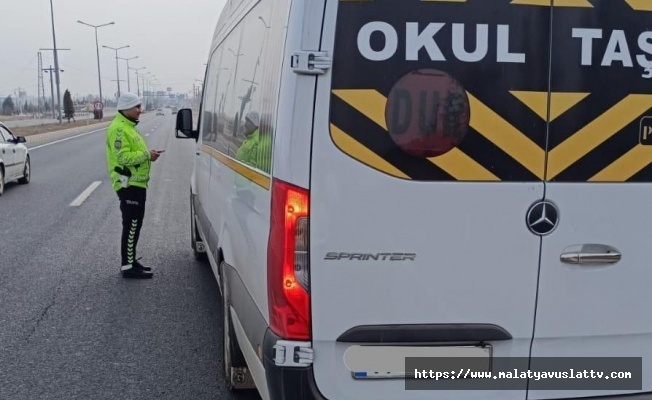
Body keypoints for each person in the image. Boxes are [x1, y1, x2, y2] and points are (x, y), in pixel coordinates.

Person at [106, 92, 163, 279]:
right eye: (137, 107)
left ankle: (130, 261)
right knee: (131, 225)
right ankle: (127, 266)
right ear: (126, 108)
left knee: (135, 224)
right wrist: (147, 155)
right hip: (127, 184)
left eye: (140, 106)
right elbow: (123, 157)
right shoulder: (120, 130)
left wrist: (148, 154)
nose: (140, 110)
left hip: (136, 183)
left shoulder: (129, 127)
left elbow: (133, 153)